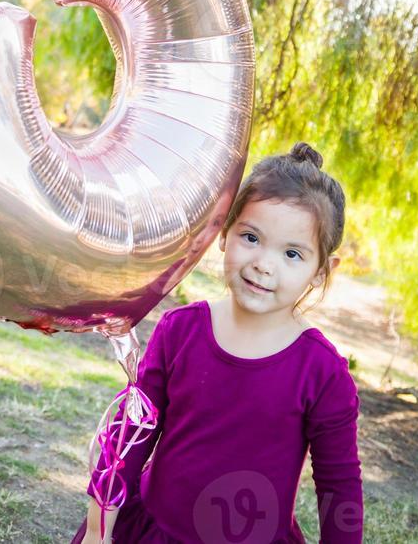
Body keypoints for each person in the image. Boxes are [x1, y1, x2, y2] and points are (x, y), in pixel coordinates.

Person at [71, 142, 364, 544]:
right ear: (225, 232)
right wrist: (97, 528)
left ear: (320, 271)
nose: (264, 263)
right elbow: (129, 435)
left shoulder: (323, 372)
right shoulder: (180, 330)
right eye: (251, 237)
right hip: (154, 532)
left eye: (293, 253)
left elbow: (339, 487)